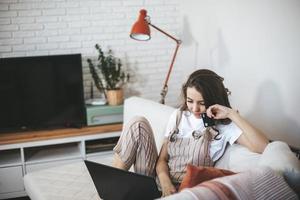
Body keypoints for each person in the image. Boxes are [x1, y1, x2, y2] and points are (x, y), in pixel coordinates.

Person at [112, 69, 269, 197]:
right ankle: (114, 189)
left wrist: (231, 114)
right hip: (158, 180)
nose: (194, 109)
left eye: (201, 103)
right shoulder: (179, 115)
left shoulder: (224, 127)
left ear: (214, 99)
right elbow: (162, 160)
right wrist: (165, 182)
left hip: (184, 191)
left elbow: (263, 146)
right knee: (137, 123)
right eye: (190, 101)